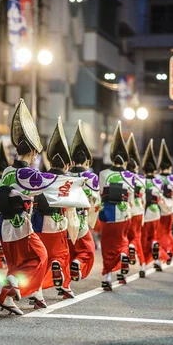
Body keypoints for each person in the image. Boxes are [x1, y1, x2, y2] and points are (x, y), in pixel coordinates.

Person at [0, 100, 87, 314]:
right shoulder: (28, 175)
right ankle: (12, 286)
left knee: (18, 262)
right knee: (40, 256)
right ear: (34, 153)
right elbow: (52, 182)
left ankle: (22, 296)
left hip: (4, 225)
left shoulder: (8, 171)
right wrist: (78, 182)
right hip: (21, 225)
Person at [32, 118, 76, 299]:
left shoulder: (40, 177)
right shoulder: (70, 180)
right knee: (62, 254)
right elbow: (73, 208)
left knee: (39, 259)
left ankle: (37, 293)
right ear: (67, 164)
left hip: (39, 221)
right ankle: (65, 286)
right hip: (59, 221)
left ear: (50, 161)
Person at [98, 122, 134, 289]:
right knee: (122, 241)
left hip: (107, 214)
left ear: (111, 157)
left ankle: (107, 277)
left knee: (107, 246)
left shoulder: (103, 174)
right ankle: (123, 254)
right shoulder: (131, 176)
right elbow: (132, 198)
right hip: (124, 213)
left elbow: (99, 194)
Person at [68, 120, 100, 283]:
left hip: (64, 218)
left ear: (72, 160)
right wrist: (91, 219)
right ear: (87, 161)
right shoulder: (91, 177)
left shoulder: (65, 176)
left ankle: (65, 283)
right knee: (87, 249)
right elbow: (96, 201)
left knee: (66, 250)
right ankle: (77, 263)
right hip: (80, 218)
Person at [141, 140, 169, 274]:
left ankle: (144, 265)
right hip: (156, 212)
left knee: (143, 239)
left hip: (144, 213)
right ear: (155, 170)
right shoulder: (159, 182)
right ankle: (157, 259)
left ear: (143, 170)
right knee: (154, 236)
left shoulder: (140, 180)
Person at [156, 139, 173, 263]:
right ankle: (169, 250)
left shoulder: (156, 178)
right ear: (170, 166)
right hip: (170, 207)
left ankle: (163, 252)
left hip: (159, 207)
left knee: (159, 232)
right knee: (168, 231)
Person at [125, 133, 146, 272]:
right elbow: (143, 199)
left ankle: (124, 267)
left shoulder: (124, 177)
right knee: (136, 238)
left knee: (124, 239)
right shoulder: (142, 179)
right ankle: (142, 265)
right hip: (138, 211)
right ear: (137, 167)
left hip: (126, 211)